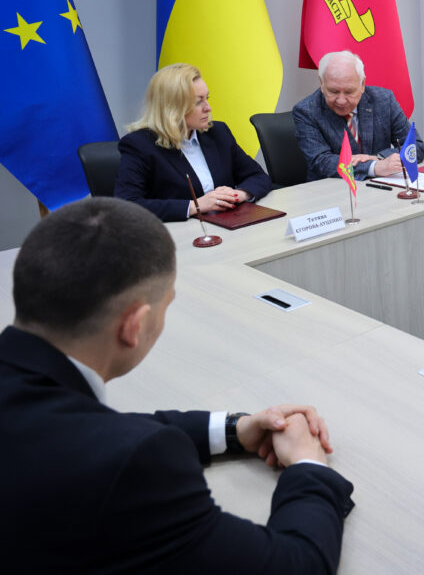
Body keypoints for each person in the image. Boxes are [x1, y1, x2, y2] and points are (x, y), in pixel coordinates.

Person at [0, 197, 355, 573]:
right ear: (135, 326)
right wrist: (307, 464)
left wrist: (235, 429)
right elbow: (296, 566)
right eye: (167, 304)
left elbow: (80, 430)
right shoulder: (132, 465)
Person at [114, 63, 272, 222]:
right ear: (172, 107)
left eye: (207, 98)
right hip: (177, 232)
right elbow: (126, 206)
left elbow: (258, 176)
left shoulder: (218, 132)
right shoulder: (139, 145)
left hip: (229, 225)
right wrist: (194, 206)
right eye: (198, 102)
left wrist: (238, 195)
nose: (208, 108)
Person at [293, 50, 424, 181]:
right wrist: (373, 167)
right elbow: (321, 162)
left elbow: (415, 147)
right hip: (332, 188)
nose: (341, 101)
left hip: (382, 186)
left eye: (349, 92)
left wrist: (379, 158)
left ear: (362, 84)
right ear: (322, 84)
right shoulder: (306, 111)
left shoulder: (384, 100)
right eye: (333, 91)